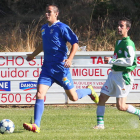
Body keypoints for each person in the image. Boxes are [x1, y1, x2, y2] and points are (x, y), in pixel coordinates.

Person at [23, 4, 99, 133]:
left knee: (73, 98)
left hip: (61, 69)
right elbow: (43, 44)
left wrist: (69, 59)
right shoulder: (43, 28)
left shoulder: (62, 27)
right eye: (46, 12)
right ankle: (36, 125)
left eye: (49, 12)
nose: (46, 14)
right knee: (39, 94)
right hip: (47, 68)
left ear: (56, 14)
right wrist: (33, 55)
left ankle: (89, 91)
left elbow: (75, 43)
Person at [93, 17, 139, 129]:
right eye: (118, 25)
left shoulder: (128, 43)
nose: (118, 28)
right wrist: (112, 59)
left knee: (121, 106)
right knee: (102, 98)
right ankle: (100, 125)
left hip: (123, 77)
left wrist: (112, 60)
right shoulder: (119, 41)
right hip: (113, 74)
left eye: (121, 26)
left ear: (127, 28)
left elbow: (129, 62)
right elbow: (118, 58)